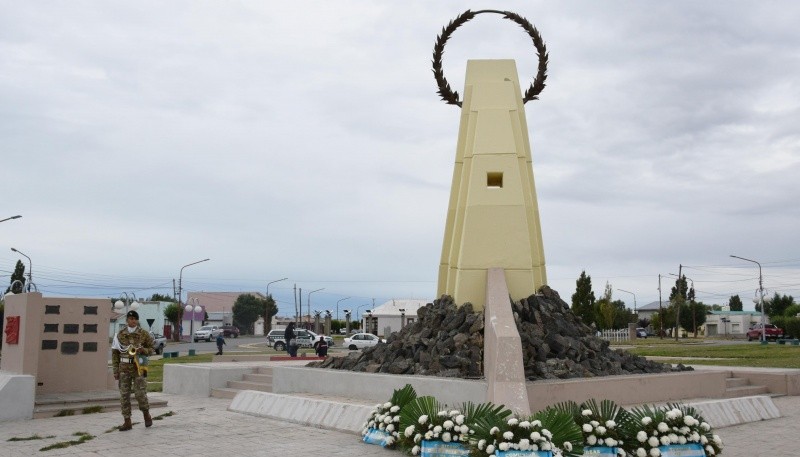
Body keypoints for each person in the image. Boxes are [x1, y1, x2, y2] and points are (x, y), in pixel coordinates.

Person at [111, 310, 154, 431]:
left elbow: (152, 349)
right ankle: (127, 421)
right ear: (127, 320)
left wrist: (143, 351)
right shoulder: (120, 334)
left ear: (137, 320)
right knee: (124, 395)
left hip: (139, 368)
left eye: (135, 319)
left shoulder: (144, 334)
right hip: (124, 368)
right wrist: (115, 370)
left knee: (140, 393)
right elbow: (115, 353)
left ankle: (146, 414)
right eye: (131, 319)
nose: (133, 321)